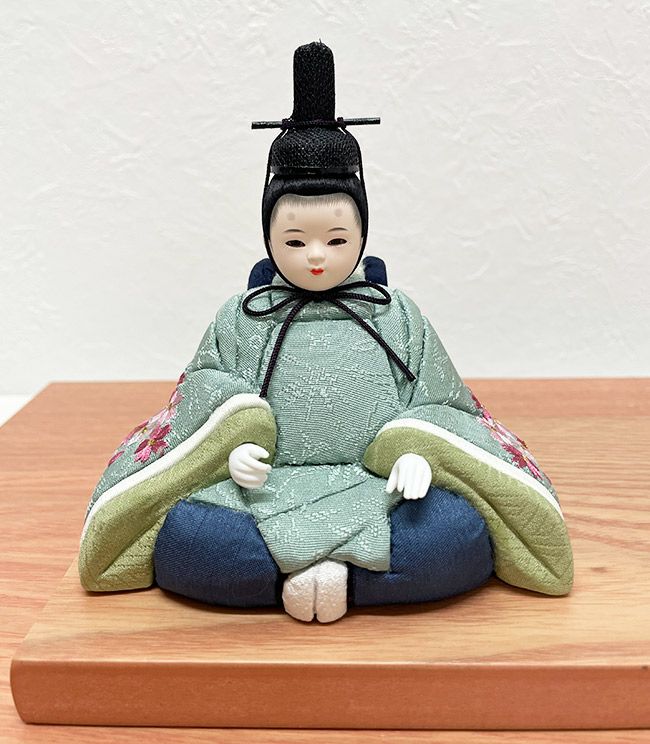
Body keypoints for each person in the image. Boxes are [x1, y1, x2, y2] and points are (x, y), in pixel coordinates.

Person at [79, 41, 573, 623]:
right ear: (268, 236)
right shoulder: (242, 315)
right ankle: (359, 577)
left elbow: (442, 401)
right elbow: (203, 398)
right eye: (295, 240)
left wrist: (417, 450)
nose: (316, 256)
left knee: (450, 533)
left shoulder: (397, 314)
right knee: (197, 539)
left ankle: (298, 575)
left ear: (362, 232)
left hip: (380, 488)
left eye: (336, 239)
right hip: (261, 492)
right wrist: (230, 448)